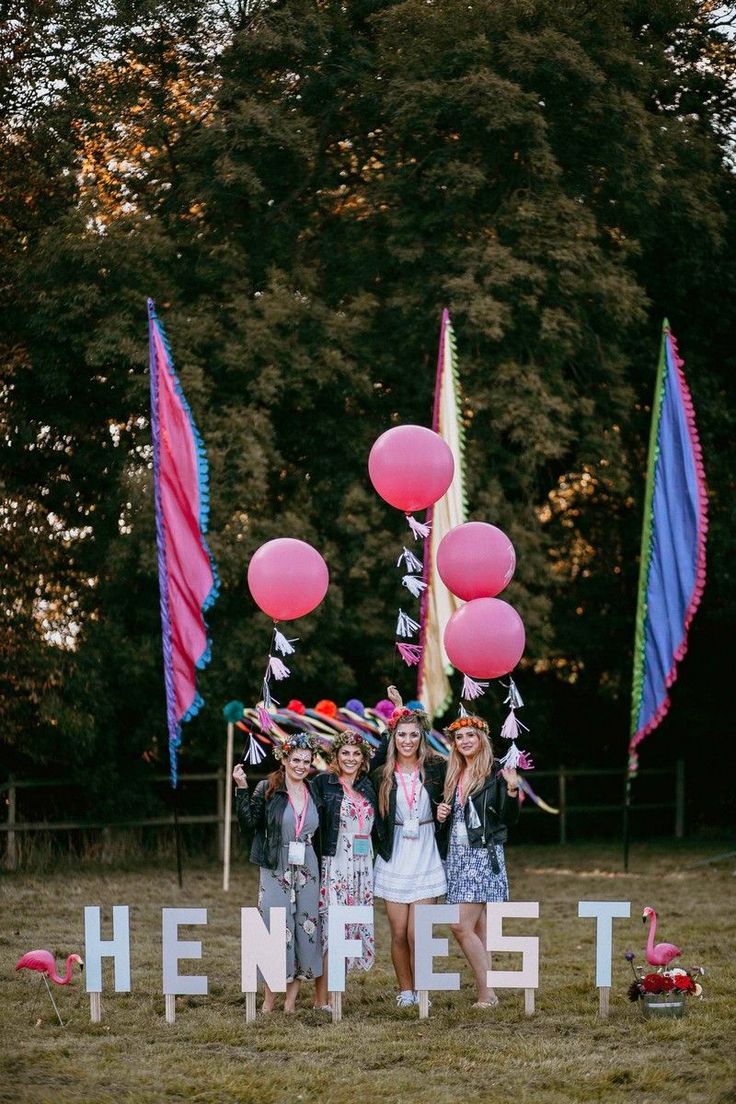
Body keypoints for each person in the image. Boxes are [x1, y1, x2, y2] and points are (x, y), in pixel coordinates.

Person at [233, 732, 322, 1013]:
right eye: (296, 759)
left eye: (306, 761)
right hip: (276, 864)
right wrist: (241, 788)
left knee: (303, 930)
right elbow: (249, 825)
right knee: (275, 929)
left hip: (307, 865)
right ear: (284, 759)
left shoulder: (314, 790)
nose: (301, 766)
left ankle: (291, 1002)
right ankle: (269, 999)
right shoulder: (267, 788)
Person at [436, 715, 520, 1008]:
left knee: (460, 925)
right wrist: (442, 817)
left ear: (481, 738)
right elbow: (457, 819)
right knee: (478, 928)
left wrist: (512, 791)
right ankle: (487, 990)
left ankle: (488, 993)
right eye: (460, 738)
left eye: (471, 735)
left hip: (483, 856)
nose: (465, 741)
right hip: (458, 857)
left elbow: (509, 819)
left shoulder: (496, 773)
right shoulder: (454, 773)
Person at [372, 703, 447, 1007]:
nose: (407, 740)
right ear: (393, 737)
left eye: (413, 734)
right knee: (399, 932)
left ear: (421, 737)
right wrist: (395, 714)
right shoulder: (382, 774)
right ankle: (406, 990)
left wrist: (444, 814)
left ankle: (425, 989)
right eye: (401, 734)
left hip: (427, 849)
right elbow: (372, 758)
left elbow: (453, 794)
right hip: (396, 852)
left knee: (419, 932)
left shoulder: (437, 767)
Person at [312, 728, 377, 1011]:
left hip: (362, 868)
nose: (350, 758)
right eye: (345, 753)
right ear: (336, 756)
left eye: (356, 754)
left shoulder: (367, 786)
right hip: (335, 863)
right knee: (331, 930)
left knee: (349, 929)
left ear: (363, 759)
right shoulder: (324, 783)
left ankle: (336, 995)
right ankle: (320, 999)